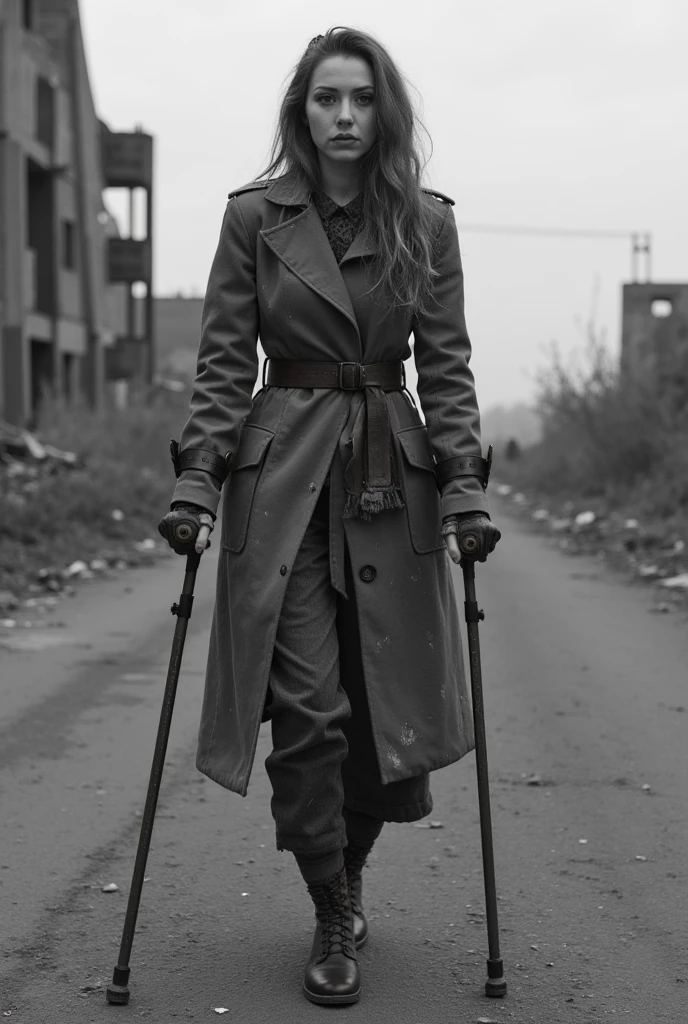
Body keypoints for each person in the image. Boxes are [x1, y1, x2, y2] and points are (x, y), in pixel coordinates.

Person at [158, 26, 500, 1007]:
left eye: (359, 99)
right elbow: (226, 363)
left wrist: (467, 484)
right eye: (325, 100)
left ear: (380, 110)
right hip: (282, 479)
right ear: (301, 112)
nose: (343, 116)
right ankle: (330, 897)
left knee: (378, 708)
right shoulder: (253, 218)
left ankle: (343, 880)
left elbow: (446, 365)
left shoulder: (422, 224)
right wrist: (196, 477)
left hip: (387, 476)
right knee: (308, 708)